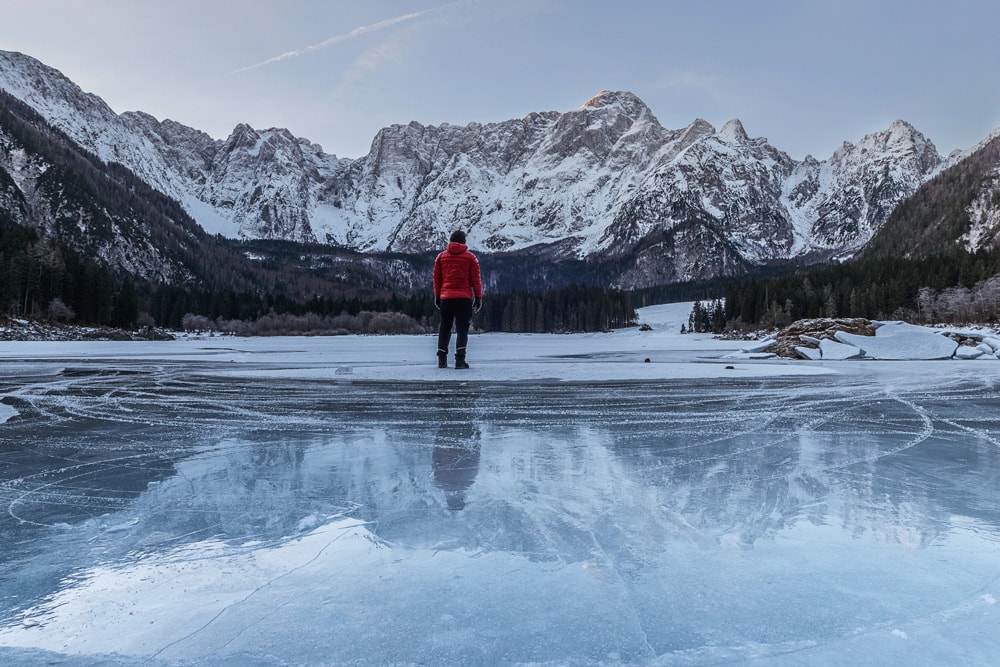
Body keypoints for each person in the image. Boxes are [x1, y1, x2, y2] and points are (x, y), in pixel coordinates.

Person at [433, 230, 483, 369]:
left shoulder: (441, 257)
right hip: (464, 298)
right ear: (464, 242)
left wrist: (437, 295)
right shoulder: (471, 258)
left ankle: (441, 360)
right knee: (462, 330)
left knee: (444, 328)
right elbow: (476, 280)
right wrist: (478, 297)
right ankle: (460, 360)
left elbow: (437, 279)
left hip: (446, 298)